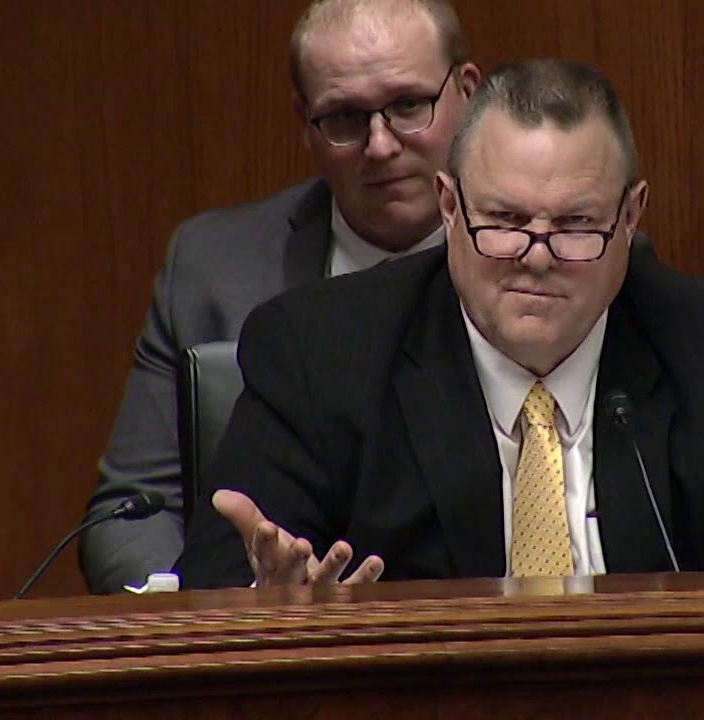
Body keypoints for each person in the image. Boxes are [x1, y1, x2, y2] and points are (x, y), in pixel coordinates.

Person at [173, 58, 704, 589]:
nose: (537, 258)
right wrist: (273, 605)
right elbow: (218, 584)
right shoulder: (319, 354)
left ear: (631, 216)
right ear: (449, 206)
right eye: (503, 221)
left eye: (576, 224)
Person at [79, 0, 481, 594]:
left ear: (468, 94)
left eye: (407, 106)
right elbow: (133, 511)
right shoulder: (214, 270)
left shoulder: (542, 260)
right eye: (344, 117)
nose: (380, 145)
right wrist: (208, 612)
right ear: (305, 121)